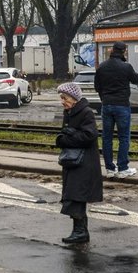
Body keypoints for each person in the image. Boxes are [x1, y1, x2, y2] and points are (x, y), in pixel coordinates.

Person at [55, 82, 102, 244]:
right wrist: (64, 138)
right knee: (73, 196)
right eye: (61, 98)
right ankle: (80, 231)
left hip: (84, 162)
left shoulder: (86, 113)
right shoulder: (69, 111)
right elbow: (63, 135)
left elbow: (90, 136)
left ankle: (80, 232)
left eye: (65, 98)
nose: (62, 101)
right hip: (73, 162)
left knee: (77, 196)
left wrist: (70, 136)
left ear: (74, 98)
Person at [94, 41, 138, 179]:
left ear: (112, 50)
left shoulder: (101, 67)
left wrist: (104, 98)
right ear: (124, 51)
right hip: (122, 105)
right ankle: (123, 168)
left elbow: (97, 87)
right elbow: (135, 79)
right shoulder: (126, 67)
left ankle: (109, 169)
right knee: (124, 137)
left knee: (106, 137)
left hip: (107, 105)